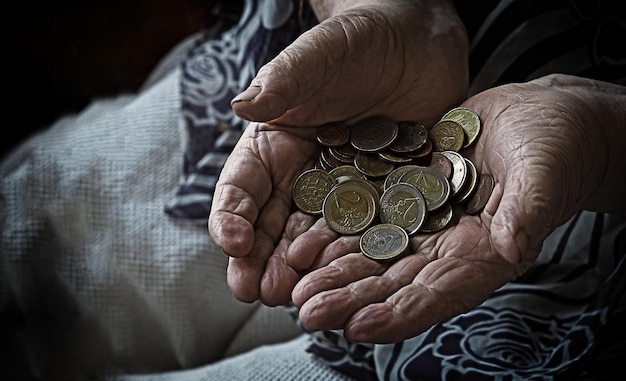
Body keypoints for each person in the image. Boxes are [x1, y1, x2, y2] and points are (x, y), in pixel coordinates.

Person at [1, 1, 624, 380]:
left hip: (568, 306)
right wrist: (389, 11)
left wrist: (599, 135)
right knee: (36, 238)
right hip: (329, 92)